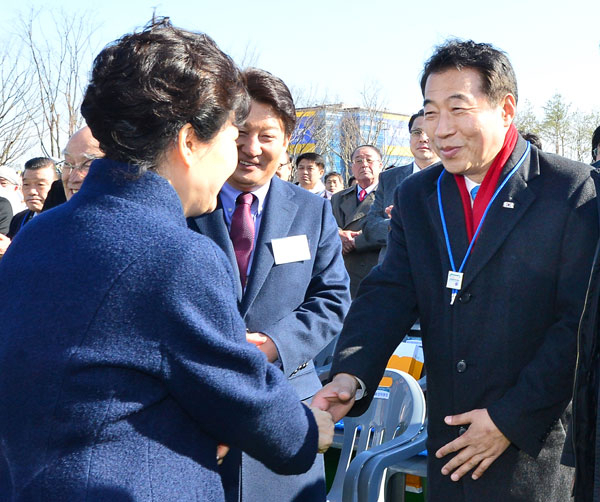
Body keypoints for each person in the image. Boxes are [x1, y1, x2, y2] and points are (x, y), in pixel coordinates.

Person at [0, 19, 333, 502]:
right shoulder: (177, 256)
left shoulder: (38, 236)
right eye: (229, 136)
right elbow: (240, 398)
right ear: (188, 141)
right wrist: (306, 430)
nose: (236, 155)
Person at [313, 39, 598, 502]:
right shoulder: (417, 195)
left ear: (506, 109)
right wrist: (351, 374)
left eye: (458, 109)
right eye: (429, 111)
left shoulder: (571, 191)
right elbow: (388, 293)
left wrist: (509, 418)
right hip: (448, 442)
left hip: (532, 447)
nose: (439, 130)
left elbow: (579, 329)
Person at [189, 67, 350, 502]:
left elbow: (333, 297)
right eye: (240, 132)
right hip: (196, 418)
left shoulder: (312, 211)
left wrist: (276, 343)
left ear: (287, 140)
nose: (251, 148)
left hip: (288, 410)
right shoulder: (184, 205)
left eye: (267, 136)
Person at [363, 110, 440, 262]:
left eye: (429, 132)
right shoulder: (389, 178)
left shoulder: (457, 176)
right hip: (394, 271)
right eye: (417, 132)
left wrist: (406, 220)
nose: (423, 138)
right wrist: (396, 223)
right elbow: (370, 228)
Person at [331, 145, 383, 297]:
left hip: (374, 268)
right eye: (358, 160)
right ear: (352, 167)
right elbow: (327, 225)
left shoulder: (388, 194)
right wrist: (338, 235)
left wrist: (355, 241)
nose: (364, 164)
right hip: (342, 271)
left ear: (380, 165)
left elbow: (388, 227)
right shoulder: (338, 197)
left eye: (369, 160)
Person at [7, 157, 57, 239]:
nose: (32, 191)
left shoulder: (67, 220)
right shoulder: (19, 219)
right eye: (26, 184)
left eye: (40, 184)